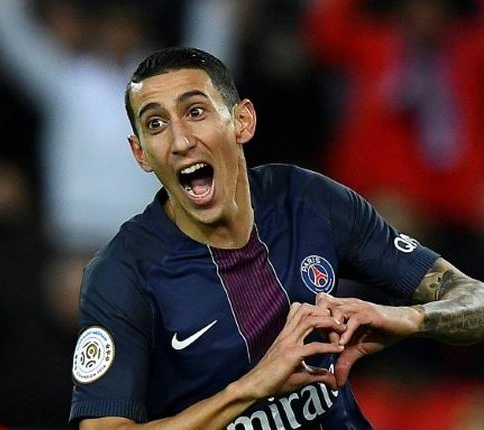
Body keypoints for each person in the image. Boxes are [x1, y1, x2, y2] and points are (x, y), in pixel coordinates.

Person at [69, 47, 484, 429]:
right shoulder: (123, 275)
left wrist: (409, 319)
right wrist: (250, 387)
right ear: (141, 152)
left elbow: (476, 302)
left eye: (195, 111)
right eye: (155, 124)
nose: (179, 141)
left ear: (242, 121)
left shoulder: (308, 202)